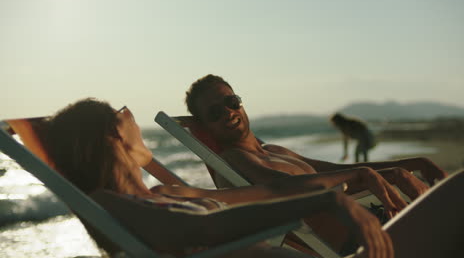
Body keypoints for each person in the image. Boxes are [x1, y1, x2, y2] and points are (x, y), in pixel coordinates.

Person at [43, 98, 393, 258]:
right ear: (112, 136)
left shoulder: (163, 193)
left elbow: (265, 192)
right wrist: (325, 199)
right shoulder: (109, 204)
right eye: (123, 114)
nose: (132, 118)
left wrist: (339, 188)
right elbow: (199, 230)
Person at [184, 74, 448, 202]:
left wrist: (413, 163)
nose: (228, 112)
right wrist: (370, 175)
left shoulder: (273, 149)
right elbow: (283, 185)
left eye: (231, 101)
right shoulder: (235, 158)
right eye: (216, 112)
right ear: (206, 127)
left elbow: (335, 171)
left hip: (370, 210)